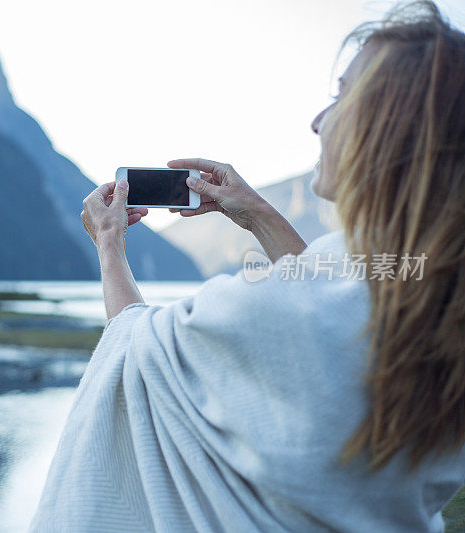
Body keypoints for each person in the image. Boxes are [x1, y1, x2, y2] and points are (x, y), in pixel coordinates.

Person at [30, 1, 465, 531]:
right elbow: (331, 298)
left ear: (388, 125)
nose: (317, 121)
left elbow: (133, 352)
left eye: (341, 96)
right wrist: (257, 213)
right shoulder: (430, 286)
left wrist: (108, 243)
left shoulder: (277, 311)